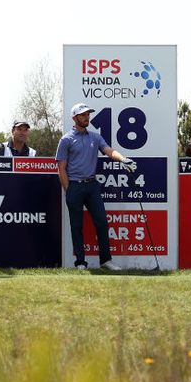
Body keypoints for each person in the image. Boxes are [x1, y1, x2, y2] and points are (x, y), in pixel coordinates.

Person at [56, 103, 137, 271]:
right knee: (76, 226)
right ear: (75, 118)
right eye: (83, 114)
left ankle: (105, 260)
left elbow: (109, 150)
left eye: (88, 114)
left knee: (102, 222)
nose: (87, 117)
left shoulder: (95, 137)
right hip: (74, 186)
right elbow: (61, 168)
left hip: (92, 186)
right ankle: (80, 262)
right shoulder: (66, 140)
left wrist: (123, 159)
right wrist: (68, 190)